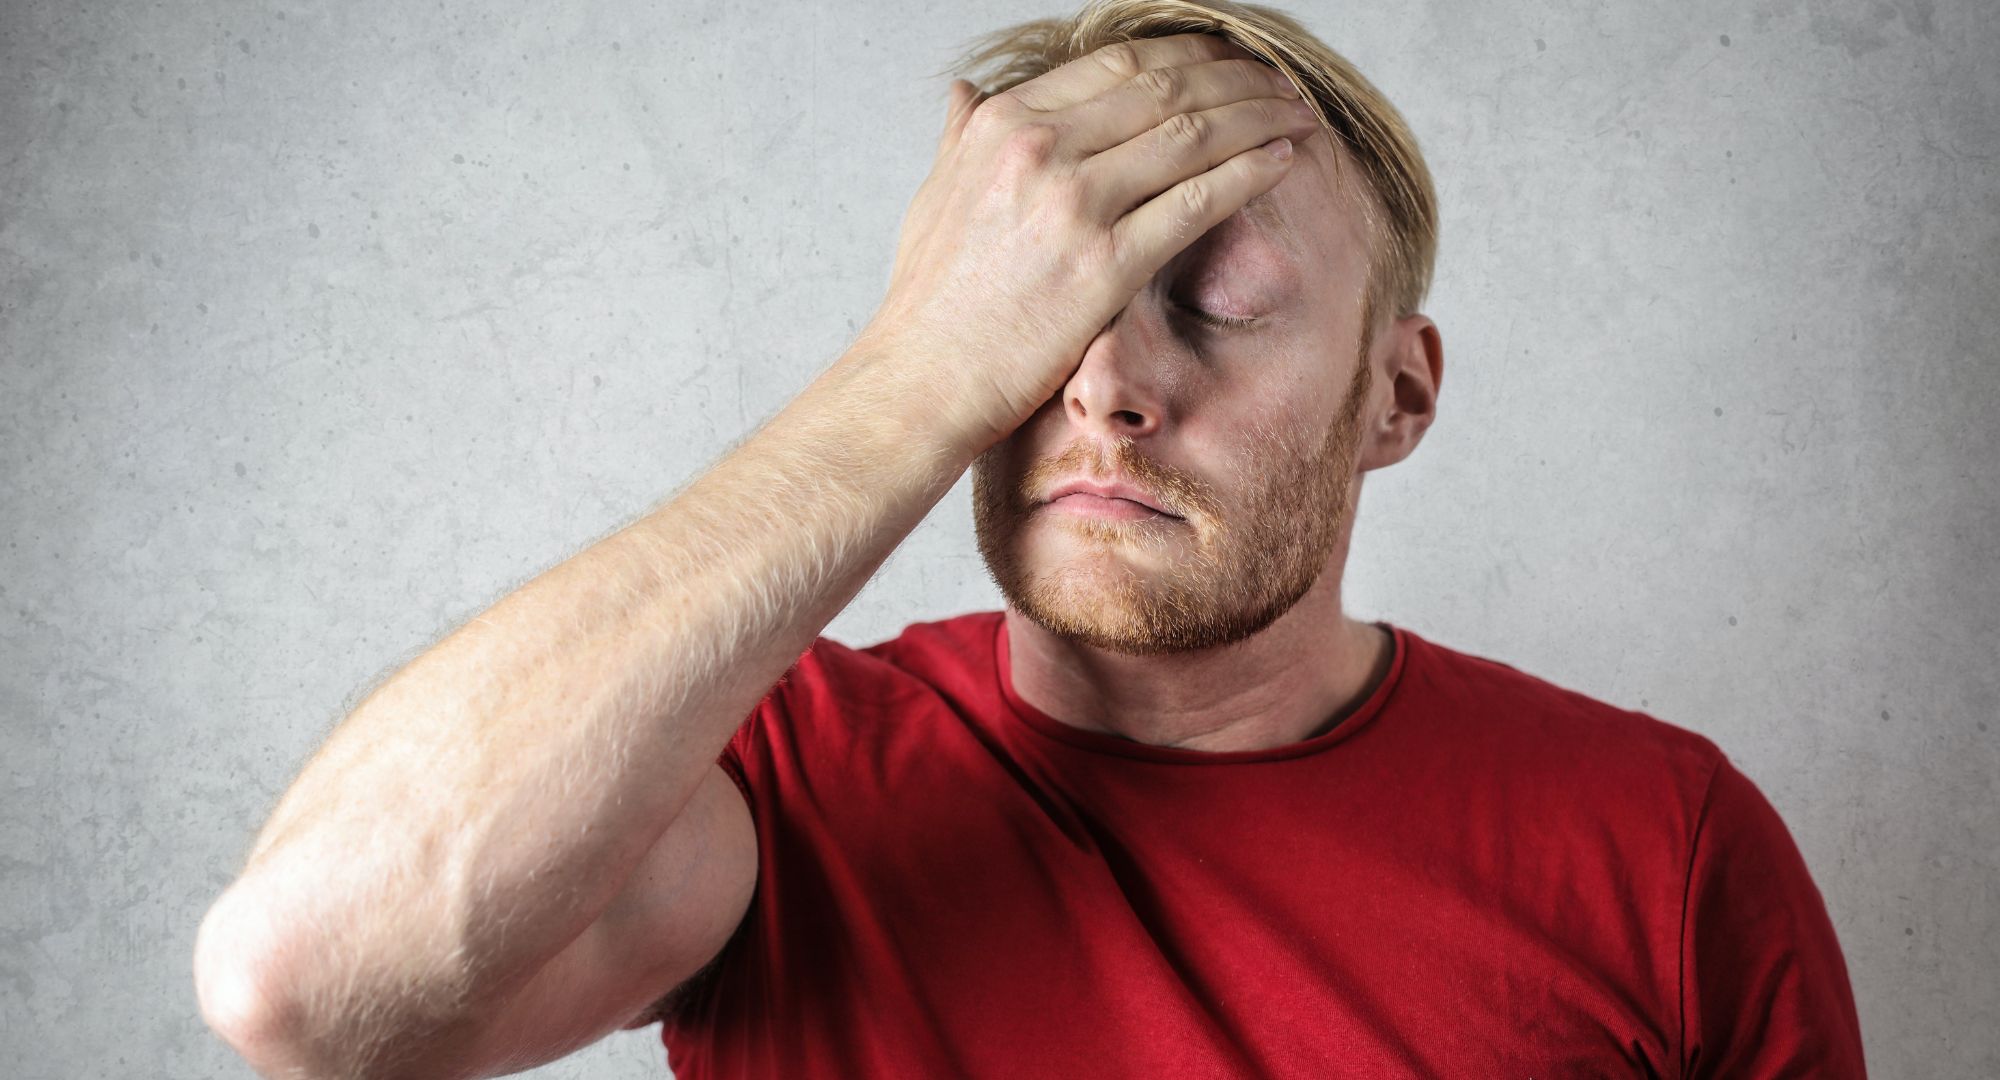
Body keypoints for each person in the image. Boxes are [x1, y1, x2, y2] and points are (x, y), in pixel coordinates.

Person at [192, 1, 1867, 1077]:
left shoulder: (1669, 843)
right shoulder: (770, 782)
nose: (1109, 388)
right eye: (1043, 317)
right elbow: (298, 987)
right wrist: (911, 373)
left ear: (1396, 397)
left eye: (1218, 306)